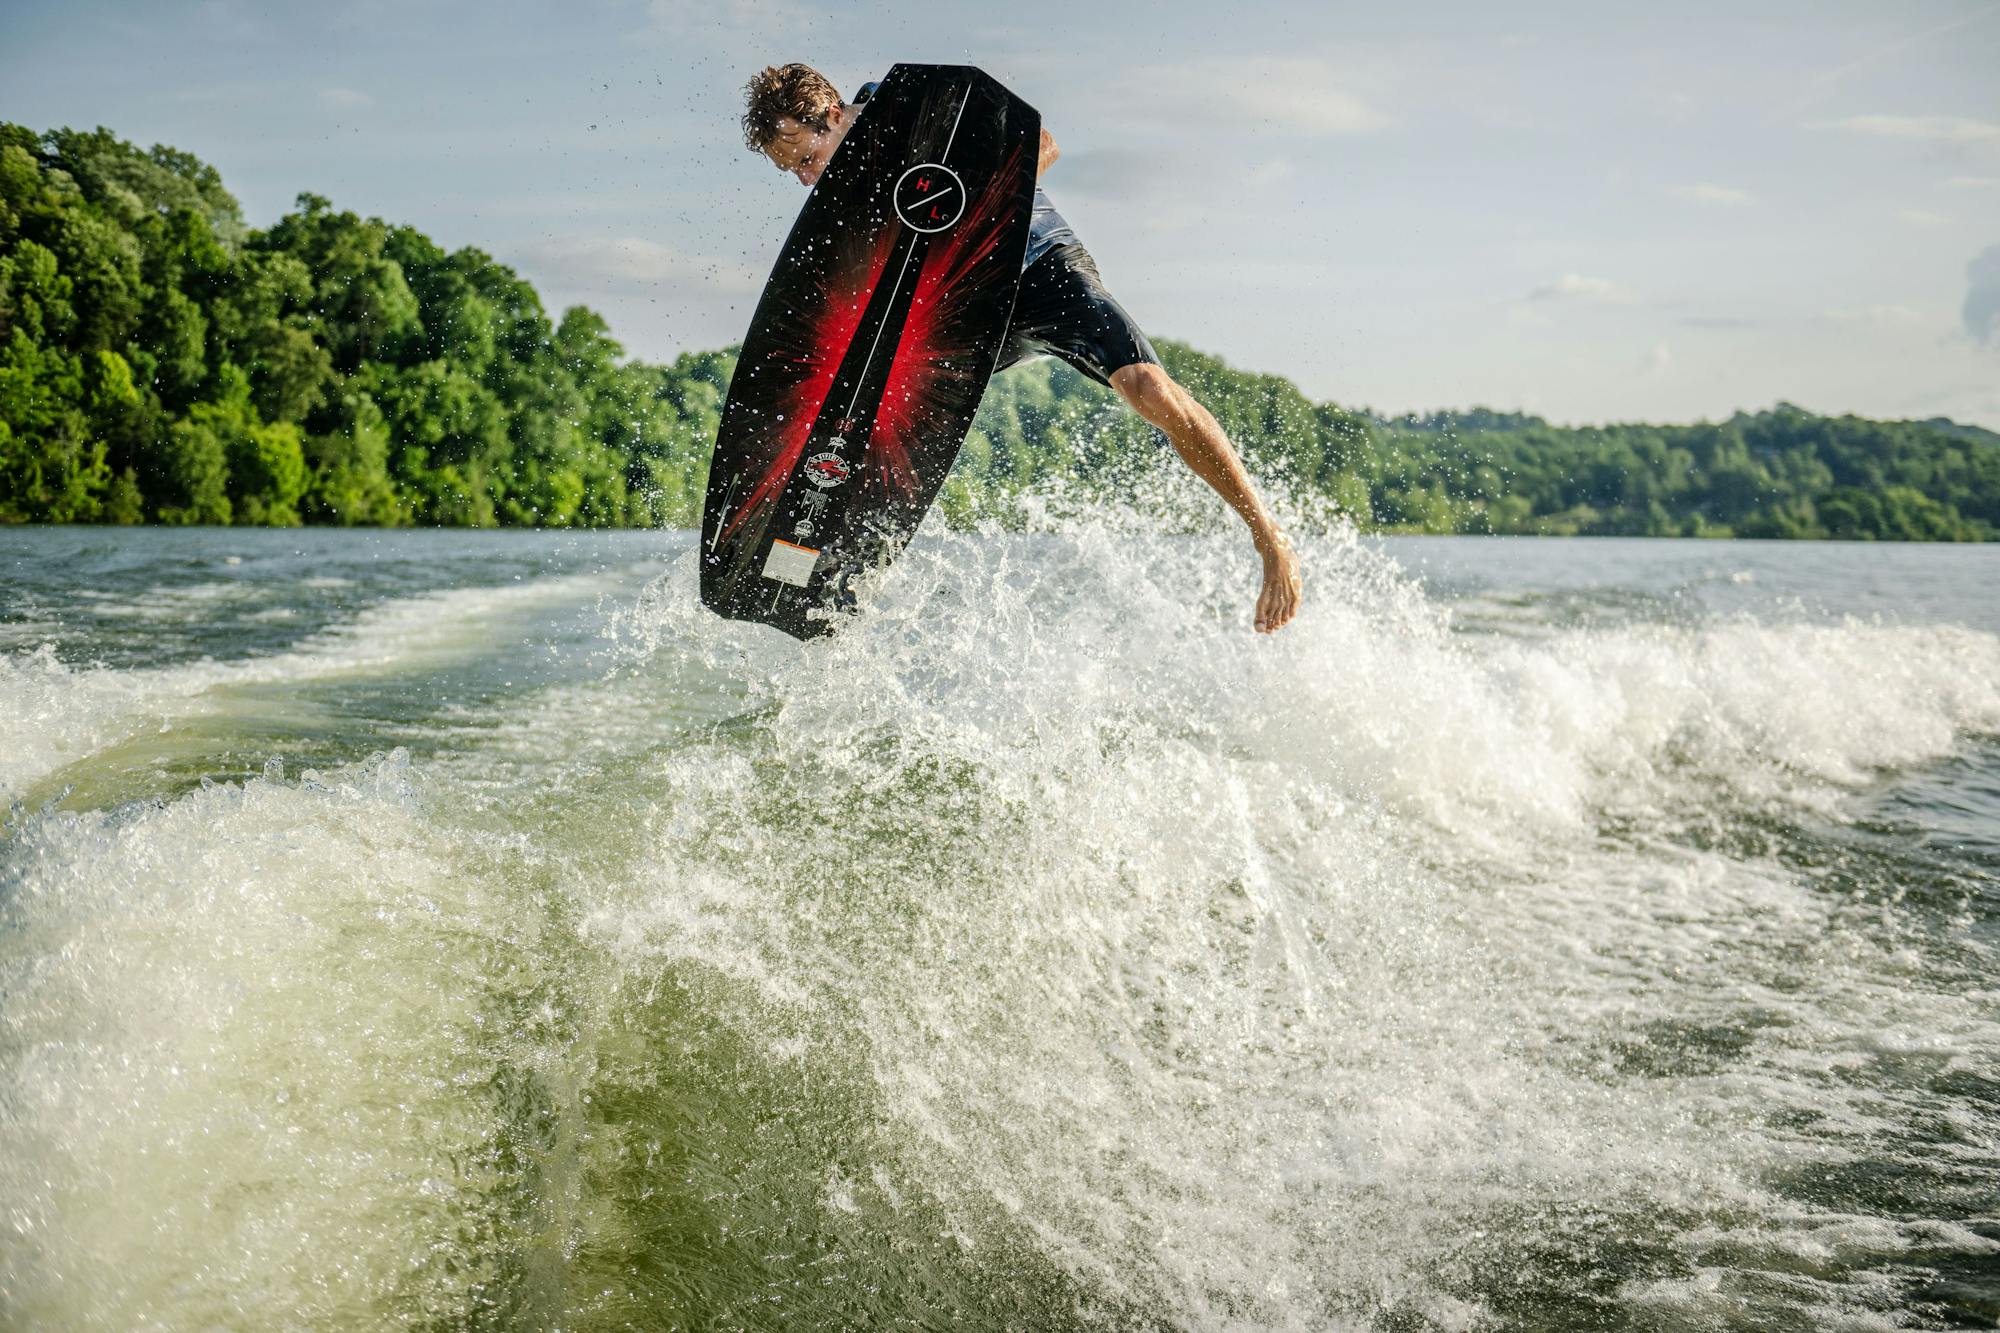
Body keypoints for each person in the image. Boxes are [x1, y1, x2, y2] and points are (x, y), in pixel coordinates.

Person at [739, 64, 1302, 634]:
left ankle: (1267, 536)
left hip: (1036, 267)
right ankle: (830, 568)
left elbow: (1046, 146)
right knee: (869, 408)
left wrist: (980, 213)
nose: (808, 182)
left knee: (1146, 388)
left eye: (807, 160)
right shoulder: (844, 195)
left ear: (835, 117)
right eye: (795, 174)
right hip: (966, 314)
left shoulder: (922, 103)